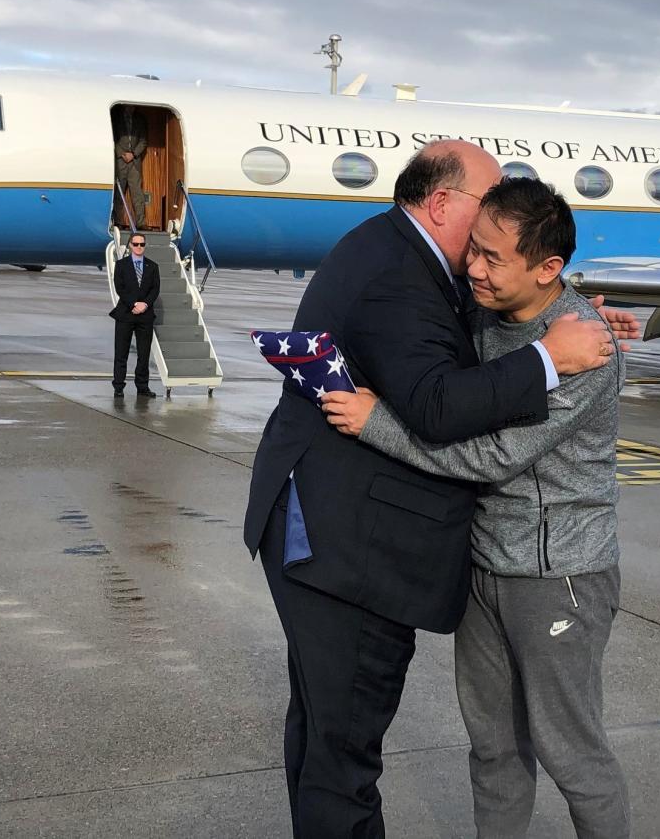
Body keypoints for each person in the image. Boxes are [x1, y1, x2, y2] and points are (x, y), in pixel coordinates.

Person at [243, 140, 639, 838]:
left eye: (496, 254)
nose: (478, 268)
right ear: (443, 204)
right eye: (477, 239)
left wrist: (568, 321)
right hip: (383, 555)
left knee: (567, 751)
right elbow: (447, 393)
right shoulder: (417, 280)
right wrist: (554, 335)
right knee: (400, 745)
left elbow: (488, 452)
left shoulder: (423, 268)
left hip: (551, 573)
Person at [109, 232, 159, 398]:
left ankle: (142, 386)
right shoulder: (121, 265)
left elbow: (155, 289)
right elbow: (120, 287)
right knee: (121, 353)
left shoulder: (153, 266)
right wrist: (133, 304)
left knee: (143, 354)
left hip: (145, 315)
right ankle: (118, 386)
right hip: (126, 314)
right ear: (130, 245)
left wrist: (144, 304)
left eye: (142, 244)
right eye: (136, 244)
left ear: (145, 246)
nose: (139, 247)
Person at [115, 105, 148, 227]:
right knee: (119, 193)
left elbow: (143, 141)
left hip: (134, 162)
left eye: (133, 106)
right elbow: (113, 139)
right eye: (129, 106)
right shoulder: (116, 119)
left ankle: (141, 223)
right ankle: (118, 222)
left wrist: (133, 154)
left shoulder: (140, 119)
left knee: (137, 193)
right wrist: (122, 154)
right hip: (120, 161)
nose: (131, 108)